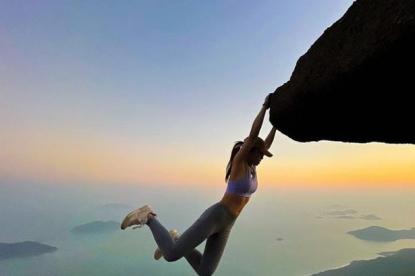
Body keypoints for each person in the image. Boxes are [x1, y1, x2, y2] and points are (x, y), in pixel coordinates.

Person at [121, 93, 277, 276]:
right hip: (217, 215)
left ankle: (175, 237)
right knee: (171, 254)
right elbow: (253, 136)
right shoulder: (240, 163)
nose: (261, 158)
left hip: (228, 223)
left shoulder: (252, 167)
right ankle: (149, 217)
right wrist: (265, 108)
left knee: (205, 272)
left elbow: (265, 143)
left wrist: (276, 124)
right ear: (250, 151)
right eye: (259, 154)